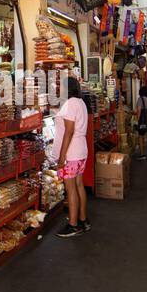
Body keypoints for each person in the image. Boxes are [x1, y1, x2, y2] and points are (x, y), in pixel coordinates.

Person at [52, 75, 90, 237]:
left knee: (70, 188)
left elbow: (69, 131)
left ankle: (73, 225)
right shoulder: (80, 103)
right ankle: (83, 220)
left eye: (61, 86)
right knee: (79, 185)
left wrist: (61, 157)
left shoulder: (69, 104)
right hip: (81, 150)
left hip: (71, 153)